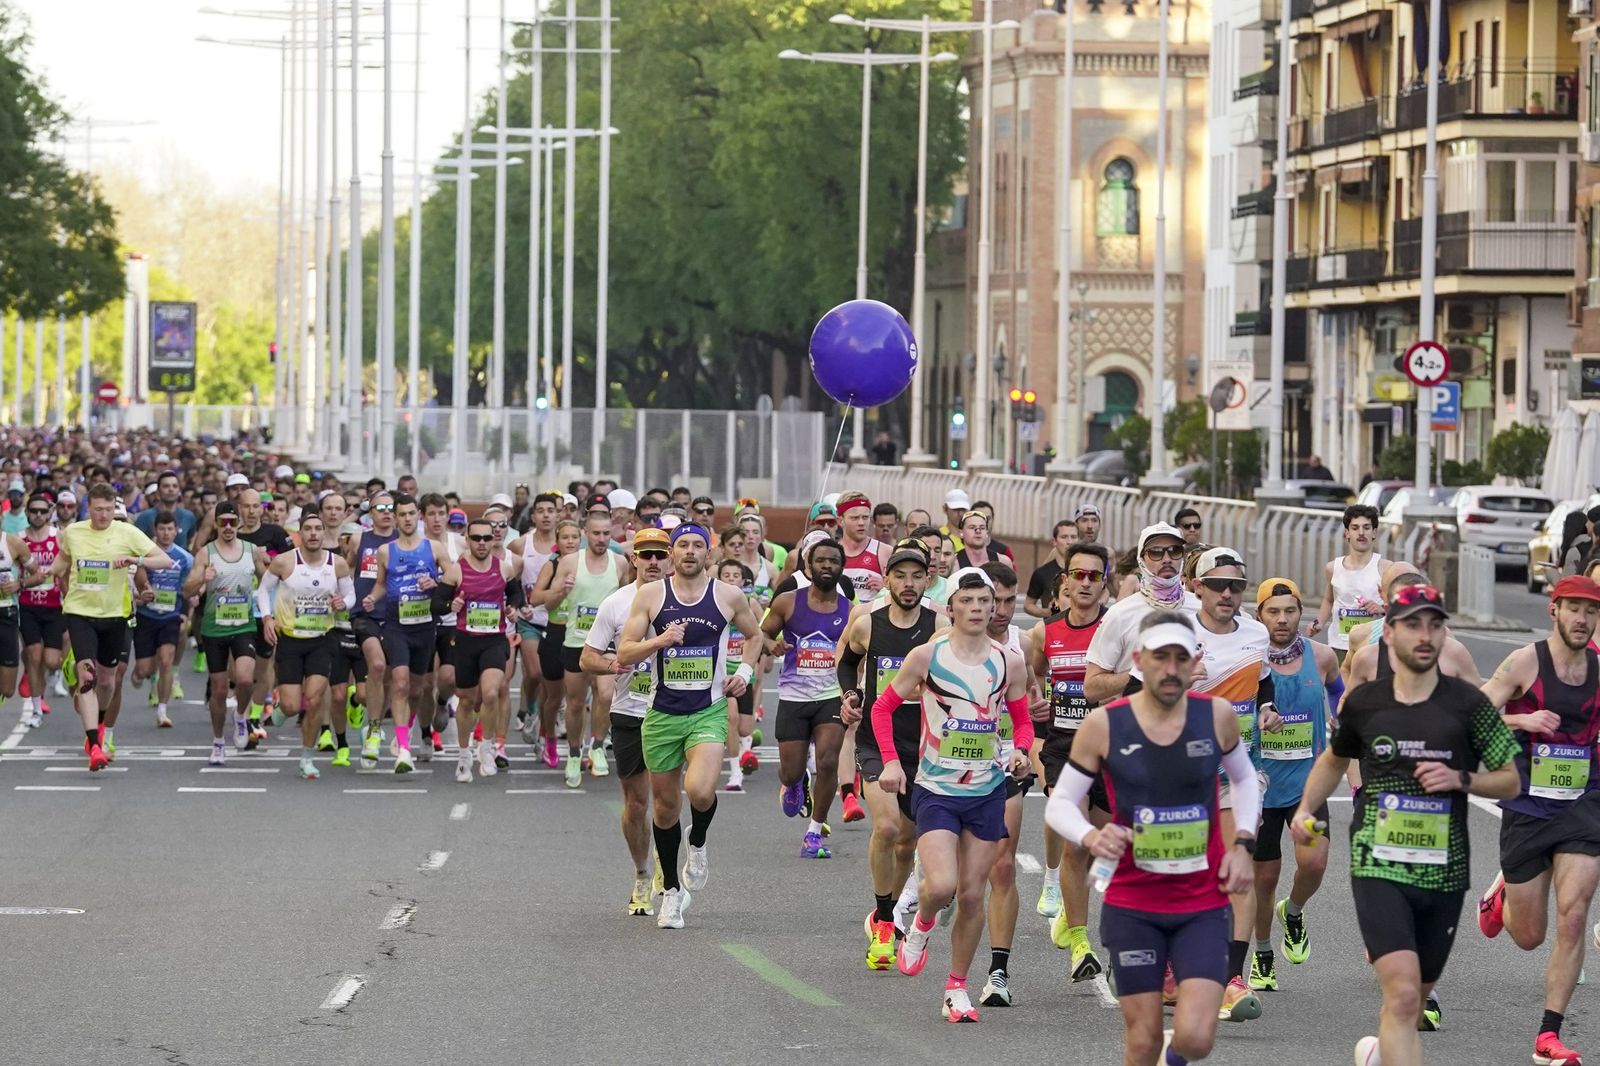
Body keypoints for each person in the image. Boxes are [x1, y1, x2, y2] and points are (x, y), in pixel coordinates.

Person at [1291, 583, 1520, 1066]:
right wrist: (1306, 809)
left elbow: (1511, 779)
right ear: (1389, 633)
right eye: (1413, 623)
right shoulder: (1366, 702)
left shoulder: (1468, 705)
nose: (1425, 635)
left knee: (1414, 998)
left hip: (1445, 871)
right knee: (1402, 998)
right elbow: (1335, 760)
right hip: (1378, 865)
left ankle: (1379, 1052)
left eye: (1435, 625)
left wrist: (1461, 777)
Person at [1046, 610, 1258, 1066]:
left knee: (1198, 1038)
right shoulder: (1105, 725)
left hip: (1201, 901)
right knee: (1141, 1041)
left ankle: (1175, 1054)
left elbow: (1243, 781)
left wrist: (1242, 844)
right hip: (1133, 903)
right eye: (1160, 657)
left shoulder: (1216, 716)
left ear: (1195, 660)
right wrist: (1089, 836)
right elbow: (1060, 803)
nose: (1171, 668)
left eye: (1181, 658)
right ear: (1139, 659)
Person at [870, 566, 1034, 1023]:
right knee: (940, 886)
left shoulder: (1009, 662)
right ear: (952, 607)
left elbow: (1022, 721)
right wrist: (889, 762)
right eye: (969, 601)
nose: (980, 609)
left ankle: (956, 988)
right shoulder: (927, 657)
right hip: (936, 789)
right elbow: (882, 708)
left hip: (986, 790)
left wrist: (1020, 751)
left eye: (987, 601)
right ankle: (920, 926)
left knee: (971, 896)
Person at [1474, 574, 1600, 1066]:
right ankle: (1502, 894)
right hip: (1528, 806)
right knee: (1528, 936)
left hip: (1583, 804)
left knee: (1574, 914)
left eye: (1590, 612)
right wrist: (1522, 720)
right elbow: (1473, 712)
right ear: (1554, 610)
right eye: (1573, 609)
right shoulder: (1526, 662)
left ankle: (1548, 1035)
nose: (1582, 619)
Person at [615, 522, 764, 930]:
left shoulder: (728, 595)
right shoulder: (650, 595)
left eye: (698, 545)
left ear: (708, 552)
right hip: (661, 714)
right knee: (664, 809)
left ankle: (697, 842)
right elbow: (625, 651)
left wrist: (745, 673)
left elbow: (755, 636)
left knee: (699, 790)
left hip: (708, 709)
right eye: (682, 545)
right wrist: (658, 642)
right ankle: (672, 896)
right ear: (671, 553)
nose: (690, 552)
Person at [838, 541, 939, 970]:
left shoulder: (941, 626)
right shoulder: (868, 624)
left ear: (927, 580)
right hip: (877, 741)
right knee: (886, 825)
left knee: (906, 844)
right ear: (888, 580)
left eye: (917, 576)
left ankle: (891, 910)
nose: (909, 584)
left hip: (925, 745)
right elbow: (847, 662)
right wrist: (851, 693)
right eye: (901, 576)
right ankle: (882, 920)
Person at [1184, 546, 1275, 1022]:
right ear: (1196, 586)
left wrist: (1265, 707)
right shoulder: (1178, 631)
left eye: (1236, 586)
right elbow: (1142, 693)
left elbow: (1263, 682)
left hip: (1239, 771)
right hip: (1183, 772)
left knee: (1239, 867)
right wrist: (1184, 682)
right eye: (1217, 584)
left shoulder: (1257, 633)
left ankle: (1232, 978)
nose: (1227, 594)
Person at [1249, 578, 1342, 994]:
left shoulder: (1320, 657)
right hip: (1262, 784)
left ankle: (1296, 910)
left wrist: (1342, 716)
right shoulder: (1247, 661)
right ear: (1259, 616)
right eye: (1273, 611)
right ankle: (1263, 955)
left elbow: (1339, 693)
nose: (1283, 619)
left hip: (1309, 784)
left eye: (1290, 611)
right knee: (1264, 878)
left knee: (1315, 862)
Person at [1030, 541, 1113, 982]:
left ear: (1105, 583)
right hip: (1063, 748)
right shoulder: (1046, 633)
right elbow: (1026, 670)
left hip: (1111, 750)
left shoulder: (1115, 629)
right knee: (1076, 842)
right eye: (1077, 575)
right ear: (1064, 581)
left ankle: (1070, 915)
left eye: (1094, 576)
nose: (1084, 583)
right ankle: (1081, 942)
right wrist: (1033, 701)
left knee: (1103, 843)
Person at [52, 482, 176, 771]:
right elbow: (63, 560)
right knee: (88, 677)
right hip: (80, 612)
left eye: (108, 510)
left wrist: (136, 559)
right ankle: (94, 744)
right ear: (89, 508)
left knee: (108, 681)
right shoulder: (74, 532)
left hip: (115, 616)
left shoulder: (126, 532)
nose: (104, 515)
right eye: (98, 510)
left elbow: (165, 560)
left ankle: (100, 723)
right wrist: (47, 572)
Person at [582, 526, 673, 915]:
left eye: (659, 554)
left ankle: (666, 872)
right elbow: (587, 658)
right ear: (633, 559)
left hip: (674, 713)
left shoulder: (687, 600)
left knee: (667, 803)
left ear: (669, 559)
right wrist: (613, 663)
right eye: (645, 554)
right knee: (636, 805)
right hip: (630, 712)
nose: (653, 562)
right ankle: (640, 872)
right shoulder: (616, 604)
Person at [975, 559, 1043, 1008]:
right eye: (988, 601)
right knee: (956, 880)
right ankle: (918, 905)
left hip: (1003, 767)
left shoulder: (1019, 653)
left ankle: (998, 970)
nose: (998, 610)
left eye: (1005, 601)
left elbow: (1029, 708)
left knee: (1002, 866)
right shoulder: (939, 649)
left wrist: (1026, 750)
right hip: (948, 775)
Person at [763, 538, 851, 857]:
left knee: (828, 761)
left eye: (834, 561)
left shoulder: (850, 610)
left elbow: (858, 653)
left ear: (841, 568)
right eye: (821, 560)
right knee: (791, 770)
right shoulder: (787, 602)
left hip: (830, 695)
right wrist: (769, 645)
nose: (828, 565)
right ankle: (795, 783)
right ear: (808, 566)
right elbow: (761, 633)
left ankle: (815, 831)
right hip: (793, 696)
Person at [257, 512, 353, 780]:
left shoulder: (338, 564)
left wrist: (342, 603)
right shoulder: (284, 562)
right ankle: (281, 709)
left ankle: (307, 758)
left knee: (312, 701)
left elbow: (351, 594)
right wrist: (267, 618)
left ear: (324, 533)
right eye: (308, 529)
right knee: (291, 706)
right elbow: (264, 590)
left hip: (323, 639)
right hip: (290, 638)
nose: (313, 533)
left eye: (317, 529)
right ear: (300, 533)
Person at [543, 508, 631, 787]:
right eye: (596, 533)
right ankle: (572, 752)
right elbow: (549, 605)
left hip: (607, 643)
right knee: (576, 702)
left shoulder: (619, 563)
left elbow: (630, 600)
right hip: (576, 641)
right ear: (585, 534)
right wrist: (561, 591)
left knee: (605, 696)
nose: (602, 538)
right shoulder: (569, 562)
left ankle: (597, 746)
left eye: (607, 533)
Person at [362, 492, 446, 774]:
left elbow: (453, 578)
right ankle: (403, 751)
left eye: (412, 514)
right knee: (398, 683)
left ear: (417, 516)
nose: (408, 519)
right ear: (395, 518)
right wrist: (373, 598)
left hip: (424, 626)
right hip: (396, 625)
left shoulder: (433, 548)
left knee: (418, 688)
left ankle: (407, 732)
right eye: (403, 514)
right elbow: (382, 584)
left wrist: (435, 583)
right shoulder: (385, 551)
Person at [184, 501, 268, 764]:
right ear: (216, 525)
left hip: (244, 625)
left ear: (239, 524)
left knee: (244, 679)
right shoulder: (205, 553)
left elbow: (269, 581)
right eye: (224, 523)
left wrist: (271, 611)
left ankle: (241, 716)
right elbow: (187, 589)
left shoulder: (251, 551)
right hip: (214, 628)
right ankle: (218, 741)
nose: (229, 527)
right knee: (219, 690)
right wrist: (202, 580)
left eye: (233, 522)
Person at [438, 517, 519, 784]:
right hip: (465, 641)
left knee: (492, 692)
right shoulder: (455, 571)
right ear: (468, 540)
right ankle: (464, 755)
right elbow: (436, 605)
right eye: (477, 538)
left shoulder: (504, 568)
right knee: (467, 700)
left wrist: (513, 609)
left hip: (494, 640)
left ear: (494, 540)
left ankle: (486, 747)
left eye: (487, 538)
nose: (483, 543)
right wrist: (452, 605)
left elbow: (517, 597)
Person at [1084, 523, 1199, 707]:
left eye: (1174, 550)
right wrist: (1140, 673)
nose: (1167, 559)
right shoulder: (1120, 614)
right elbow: (1091, 689)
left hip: (1191, 727)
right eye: (1156, 552)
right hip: (1135, 727)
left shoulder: (1202, 609)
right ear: (1141, 560)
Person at [344, 492, 397, 765]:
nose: (386, 512)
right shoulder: (359, 539)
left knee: (388, 676)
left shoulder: (404, 541)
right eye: (380, 508)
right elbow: (346, 569)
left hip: (396, 615)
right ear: (371, 513)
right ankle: (376, 729)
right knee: (376, 666)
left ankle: (374, 722)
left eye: (391, 508)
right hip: (365, 614)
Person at [130, 511, 195, 728]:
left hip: (170, 615)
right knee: (144, 670)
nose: (166, 534)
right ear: (155, 531)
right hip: (146, 616)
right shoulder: (145, 554)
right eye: (162, 529)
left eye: (170, 529)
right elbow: (136, 582)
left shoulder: (184, 557)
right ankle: (142, 677)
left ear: (176, 530)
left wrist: (187, 608)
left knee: (166, 661)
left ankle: (162, 711)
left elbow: (187, 588)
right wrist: (142, 594)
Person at [1312, 504, 1385, 665]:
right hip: (1340, 645)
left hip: (1373, 645)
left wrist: (1382, 609)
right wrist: (1319, 623)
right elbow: (1329, 600)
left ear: (1374, 532)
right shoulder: (1333, 567)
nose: (1361, 533)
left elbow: (1400, 605)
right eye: (1355, 528)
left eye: (1366, 527)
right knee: (1341, 690)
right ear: (1347, 533)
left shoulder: (1385, 568)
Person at [18, 492, 65, 728]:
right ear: (27, 513)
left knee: (51, 660)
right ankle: (36, 709)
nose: (38, 515)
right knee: (34, 654)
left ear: (49, 514)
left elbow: (67, 568)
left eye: (42, 511)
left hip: (55, 607)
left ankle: (43, 678)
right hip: (27, 606)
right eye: (33, 511)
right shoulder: (19, 539)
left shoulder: (60, 538)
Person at [1024, 519, 1077, 619]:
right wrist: (1046, 612)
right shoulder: (1042, 573)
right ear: (1054, 541)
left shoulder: (1086, 571)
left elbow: (1104, 591)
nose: (1069, 542)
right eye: (1064, 537)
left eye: (1073, 537)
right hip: (1052, 629)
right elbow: (1028, 605)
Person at [134, 471, 198, 549]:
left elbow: (190, 542)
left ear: (179, 491)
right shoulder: (144, 517)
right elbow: (137, 546)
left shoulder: (188, 516)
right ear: (158, 492)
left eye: (175, 486)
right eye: (166, 486)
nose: (171, 489)